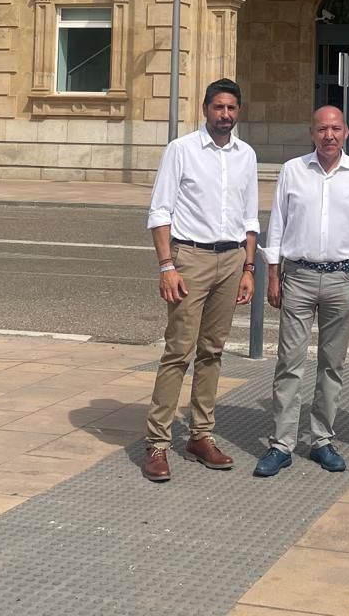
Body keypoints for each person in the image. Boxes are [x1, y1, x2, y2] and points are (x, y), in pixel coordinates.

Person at [142, 79, 259, 483]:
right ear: (205, 109)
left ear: (238, 111)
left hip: (231, 259)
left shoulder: (246, 155)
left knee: (213, 350)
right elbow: (160, 211)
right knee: (178, 351)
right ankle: (157, 443)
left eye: (231, 108)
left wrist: (248, 269)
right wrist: (166, 267)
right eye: (218, 108)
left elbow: (250, 217)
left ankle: (200, 436)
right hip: (189, 257)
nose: (225, 115)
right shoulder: (182, 150)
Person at [253, 106, 349, 478]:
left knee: (332, 365)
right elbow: (277, 223)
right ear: (312, 133)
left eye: (336, 129)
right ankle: (282, 444)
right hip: (299, 278)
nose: (329, 136)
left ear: (346, 133)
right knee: (289, 363)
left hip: (343, 278)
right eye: (322, 129)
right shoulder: (292, 170)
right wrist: (272, 275)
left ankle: (322, 439)